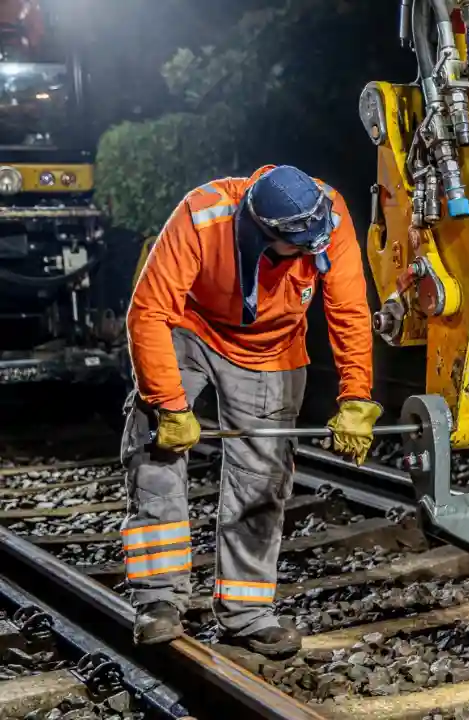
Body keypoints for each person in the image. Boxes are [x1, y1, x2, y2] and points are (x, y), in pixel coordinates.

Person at [121, 165, 381, 658]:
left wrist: (356, 398)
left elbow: (348, 309)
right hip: (189, 329)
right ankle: (158, 602)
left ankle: (246, 612)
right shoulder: (201, 217)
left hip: (270, 348)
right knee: (155, 454)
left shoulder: (331, 214)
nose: (309, 254)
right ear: (259, 232)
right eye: (297, 247)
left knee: (262, 476)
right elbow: (149, 312)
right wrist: (169, 405)